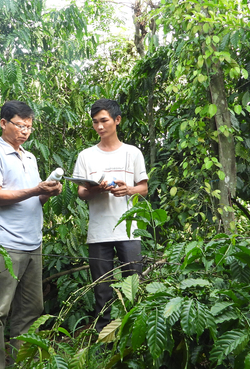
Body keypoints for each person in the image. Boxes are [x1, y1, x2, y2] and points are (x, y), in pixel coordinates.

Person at [0, 100, 62, 369]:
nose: (25, 131)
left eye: (29, 126)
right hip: (7, 245)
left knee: (30, 312)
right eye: (20, 125)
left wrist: (47, 193)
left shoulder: (30, 157)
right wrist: (36, 190)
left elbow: (34, 201)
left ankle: (21, 365)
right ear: (3, 123)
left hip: (33, 245)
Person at [72, 98, 148, 333]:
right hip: (98, 231)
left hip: (129, 229)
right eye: (95, 122)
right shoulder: (86, 155)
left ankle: (134, 333)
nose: (99, 127)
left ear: (117, 120)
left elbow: (143, 187)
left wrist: (129, 189)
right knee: (101, 289)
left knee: (133, 283)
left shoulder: (132, 153)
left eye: (104, 120)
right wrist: (98, 188)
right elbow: (82, 192)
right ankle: (103, 339)